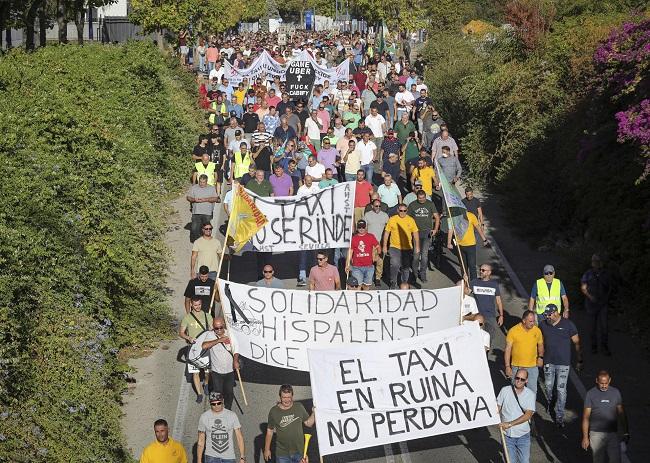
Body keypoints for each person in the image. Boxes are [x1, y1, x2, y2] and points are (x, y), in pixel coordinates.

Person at [540, 304, 582, 427]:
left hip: (563, 364)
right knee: (548, 386)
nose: (547, 316)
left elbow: (577, 343)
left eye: (549, 314)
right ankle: (551, 400)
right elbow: (539, 341)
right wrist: (540, 356)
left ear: (556, 313)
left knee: (561, 390)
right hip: (548, 362)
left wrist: (580, 360)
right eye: (546, 314)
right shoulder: (543, 324)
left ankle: (559, 416)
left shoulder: (568, 325)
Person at [582, 370, 629, 463]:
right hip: (596, 434)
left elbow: (621, 413)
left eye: (606, 383)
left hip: (612, 433)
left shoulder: (616, 393)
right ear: (596, 381)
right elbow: (586, 417)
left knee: (616, 459)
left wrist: (626, 432)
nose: (604, 386)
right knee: (598, 460)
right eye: (601, 383)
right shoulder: (590, 394)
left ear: (610, 380)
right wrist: (585, 437)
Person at [264, 384, 315, 463]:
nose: (287, 400)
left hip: (299, 453)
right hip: (282, 454)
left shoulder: (299, 407)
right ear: (280, 397)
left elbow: (309, 423)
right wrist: (267, 449)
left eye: (289, 397)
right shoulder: (274, 411)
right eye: (284, 397)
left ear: (292, 396)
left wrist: (314, 413)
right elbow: (270, 431)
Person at [497, 369, 536, 463]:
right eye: (517, 378)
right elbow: (497, 408)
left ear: (526, 381)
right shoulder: (504, 390)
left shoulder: (530, 395)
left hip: (523, 435)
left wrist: (510, 424)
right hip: (507, 436)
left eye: (522, 379)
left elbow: (528, 415)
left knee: (524, 461)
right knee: (510, 461)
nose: (519, 381)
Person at [180, 297, 214, 403]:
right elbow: (181, 333)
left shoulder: (207, 316)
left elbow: (213, 330)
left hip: (206, 347)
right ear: (191, 305)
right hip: (193, 349)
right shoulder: (187, 318)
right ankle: (199, 394)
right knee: (195, 372)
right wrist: (189, 338)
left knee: (208, 371)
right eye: (195, 305)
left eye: (199, 304)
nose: (197, 307)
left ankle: (207, 384)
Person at [201, 317, 240, 410]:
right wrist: (218, 340)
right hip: (216, 371)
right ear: (213, 327)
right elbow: (204, 346)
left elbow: (236, 349)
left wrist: (235, 360)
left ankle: (228, 409)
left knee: (229, 392)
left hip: (229, 370)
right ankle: (219, 409)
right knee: (218, 392)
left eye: (221, 327)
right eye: (216, 328)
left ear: (224, 325)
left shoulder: (230, 334)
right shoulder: (210, 335)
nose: (219, 330)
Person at [197, 392, 245, 463]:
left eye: (218, 403)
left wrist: (242, 457)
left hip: (229, 457)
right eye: (213, 404)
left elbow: (239, 437)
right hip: (211, 457)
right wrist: (199, 460)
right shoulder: (204, 417)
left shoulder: (232, 415)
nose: (216, 405)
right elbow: (201, 440)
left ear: (222, 402)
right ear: (210, 403)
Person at [504, 310, 544, 395]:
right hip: (517, 367)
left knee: (532, 392)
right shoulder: (513, 331)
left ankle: (530, 408)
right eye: (530, 321)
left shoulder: (537, 331)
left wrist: (540, 357)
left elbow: (540, 345)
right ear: (524, 320)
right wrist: (507, 366)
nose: (532, 323)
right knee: (515, 391)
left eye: (533, 321)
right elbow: (508, 349)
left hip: (532, 367)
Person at [581, 254, 612, 355]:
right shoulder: (588, 274)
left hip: (603, 304)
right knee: (592, 327)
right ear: (592, 263)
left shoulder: (605, 274)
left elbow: (609, 287)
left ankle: (604, 346)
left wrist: (606, 298)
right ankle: (594, 346)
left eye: (598, 261)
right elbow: (583, 288)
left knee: (604, 327)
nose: (597, 264)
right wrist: (590, 297)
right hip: (591, 304)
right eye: (595, 262)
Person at [383, 204, 420, 289]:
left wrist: (417, 246)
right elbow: (386, 233)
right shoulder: (392, 219)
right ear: (397, 210)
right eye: (401, 211)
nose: (402, 212)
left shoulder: (411, 220)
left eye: (404, 211)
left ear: (407, 211)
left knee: (405, 267)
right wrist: (385, 246)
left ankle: (404, 283)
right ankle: (393, 282)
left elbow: (415, 233)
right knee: (395, 264)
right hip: (394, 247)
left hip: (407, 248)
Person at [407, 190, 439, 283]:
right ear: (417, 197)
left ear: (425, 196)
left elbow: (436, 217)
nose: (421, 200)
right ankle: (414, 274)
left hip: (427, 232)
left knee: (424, 255)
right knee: (416, 255)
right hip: (416, 232)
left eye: (423, 198)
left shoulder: (430, 204)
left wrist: (435, 229)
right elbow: (408, 218)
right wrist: (409, 230)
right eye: (420, 198)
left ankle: (423, 274)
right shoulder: (412, 205)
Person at [446, 210, 488, 281]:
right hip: (460, 246)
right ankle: (465, 284)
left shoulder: (471, 215)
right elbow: (450, 230)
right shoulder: (452, 217)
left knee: (472, 266)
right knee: (463, 267)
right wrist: (449, 243)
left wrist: (484, 239)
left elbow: (478, 227)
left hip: (471, 245)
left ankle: (474, 283)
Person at [470, 263, 504, 345]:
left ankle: (485, 356)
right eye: (480, 270)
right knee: (476, 339)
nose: (481, 272)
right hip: (477, 316)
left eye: (483, 270)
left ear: (489, 272)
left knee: (488, 340)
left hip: (490, 316)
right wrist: (465, 281)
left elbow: (499, 301)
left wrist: (501, 316)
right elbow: (466, 292)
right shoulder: (474, 282)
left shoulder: (494, 284)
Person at [346, 220, 380, 290]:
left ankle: (365, 299)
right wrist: (347, 264)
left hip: (369, 266)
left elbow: (378, 246)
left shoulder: (371, 236)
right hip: (357, 267)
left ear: (366, 227)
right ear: (357, 228)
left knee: (366, 286)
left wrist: (377, 255)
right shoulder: (354, 238)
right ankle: (358, 300)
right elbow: (350, 251)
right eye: (359, 227)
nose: (361, 229)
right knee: (357, 285)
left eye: (363, 227)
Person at [364, 199, 389, 287]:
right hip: (370, 242)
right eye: (376, 206)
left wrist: (385, 243)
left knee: (380, 261)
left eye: (379, 206)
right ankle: (368, 278)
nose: (378, 208)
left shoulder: (385, 215)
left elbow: (388, 229)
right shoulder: (367, 215)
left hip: (380, 242)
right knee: (369, 261)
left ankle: (378, 278)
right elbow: (364, 228)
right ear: (372, 206)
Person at [187, 174, 220, 242]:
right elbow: (188, 197)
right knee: (194, 228)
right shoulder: (194, 187)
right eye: (200, 182)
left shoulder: (211, 188)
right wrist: (194, 200)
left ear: (206, 181)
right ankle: (199, 240)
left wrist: (205, 200)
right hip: (196, 212)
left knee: (206, 228)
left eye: (203, 182)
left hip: (207, 212)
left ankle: (206, 240)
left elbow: (216, 199)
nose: (201, 184)